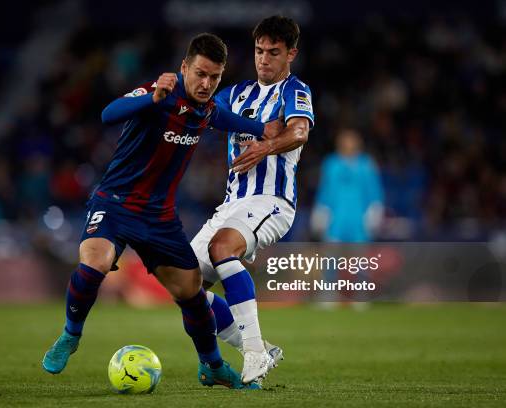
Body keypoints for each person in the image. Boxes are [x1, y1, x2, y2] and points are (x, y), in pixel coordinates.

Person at [42, 33, 282, 390]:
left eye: (214, 77)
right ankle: (70, 335)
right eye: (200, 73)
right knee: (93, 262)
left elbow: (227, 119)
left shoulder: (206, 109)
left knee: (192, 293)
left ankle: (212, 366)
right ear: (184, 67)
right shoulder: (159, 94)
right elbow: (109, 113)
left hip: (159, 218)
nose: (206, 84)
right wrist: (151, 96)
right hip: (116, 203)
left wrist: (262, 129)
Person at [190, 16, 314, 384]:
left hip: (272, 201)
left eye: (273, 53)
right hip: (231, 204)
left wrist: (267, 147)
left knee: (222, 248)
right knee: (185, 286)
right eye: (260, 51)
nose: (264, 60)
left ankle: (256, 351)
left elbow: (300, 130)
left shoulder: (295, 90)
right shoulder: (237, 94)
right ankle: (255, 350)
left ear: (291, 53)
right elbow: (206, 112)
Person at [310, 128, 384, 243]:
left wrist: (374, 211)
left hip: (360, 222)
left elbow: (373, 190)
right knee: (332, 257)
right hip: (334, 221)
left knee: (358, 258)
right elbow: (325, 190)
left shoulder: (366, 164)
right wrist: (320, 211)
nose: (348, 145)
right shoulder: (331, 164)